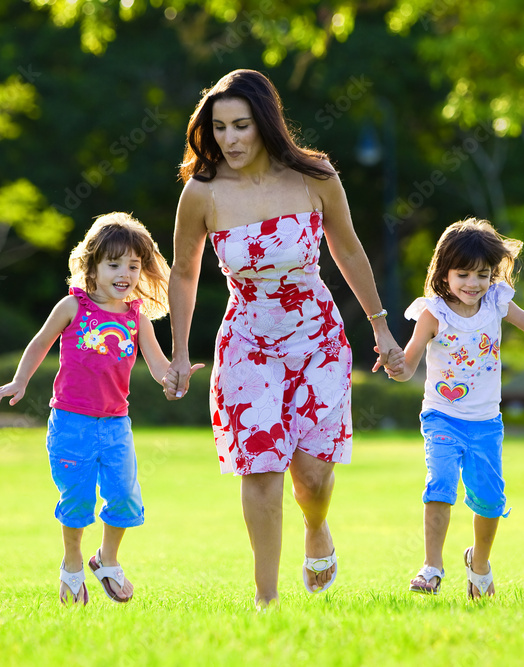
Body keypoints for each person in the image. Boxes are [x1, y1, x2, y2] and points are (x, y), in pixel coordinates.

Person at [164, 69, 404, 609]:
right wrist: (179, 354)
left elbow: (349, 250)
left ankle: (316, 527)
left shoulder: (314, 177)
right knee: (263, 466)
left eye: (241, 125)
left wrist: (382, 328)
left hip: (317, 339)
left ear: (266, 123)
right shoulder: (202, 193)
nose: (230, 139)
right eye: (219, 127)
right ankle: (266, 599)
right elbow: (183, 273)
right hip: (247, 343)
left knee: (314, 478)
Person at [0, 212, 202, 605]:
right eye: (114, 264)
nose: (125, 273)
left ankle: (106, 559)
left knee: (124, 498)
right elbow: (39, 343)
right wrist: (19, 381)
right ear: (93, 266)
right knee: (78, 500)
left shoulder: (137, 318)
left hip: (116, 425)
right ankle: (71, 566)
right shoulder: (73, 306)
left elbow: (155, 365)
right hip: (71, 424)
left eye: (133, 266)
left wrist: (174, 377)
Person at [383, 218, 524, 599]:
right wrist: (395, 364)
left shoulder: (497, 303)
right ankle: (432, 566)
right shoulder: (433, 313)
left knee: (490, 501)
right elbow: (408, 367)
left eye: (483, 274)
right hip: (441, 416)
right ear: (444, 272)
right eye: (463, 274)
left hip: (486, 423)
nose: (473, 284)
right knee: (440, 485)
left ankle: (479, 565)